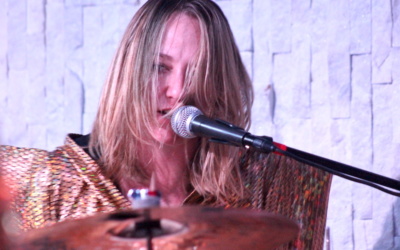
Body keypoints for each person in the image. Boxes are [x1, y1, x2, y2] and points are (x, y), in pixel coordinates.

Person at [0, 0, 331, 249]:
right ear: (128, 75)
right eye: (160, 67)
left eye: (199, 73)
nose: (179, 91)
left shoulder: (270, 183)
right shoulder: (47, 181)